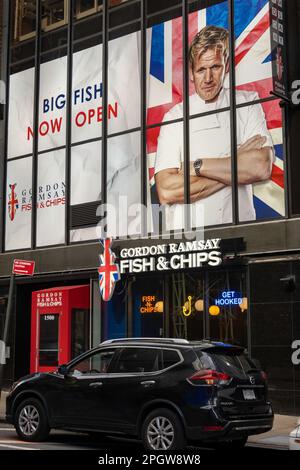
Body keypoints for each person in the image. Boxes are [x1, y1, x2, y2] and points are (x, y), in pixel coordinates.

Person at [154, 26, 274, 229]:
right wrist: (237, 160)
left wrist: (196, 167)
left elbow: (261, 167)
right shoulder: (175, 117)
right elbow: (167, 191)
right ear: (191, 73)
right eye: (201, 69)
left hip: (240, 231)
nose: (208, 78)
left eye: (215, 67)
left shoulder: (247, 102)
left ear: (226, 66)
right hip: (191, 241)